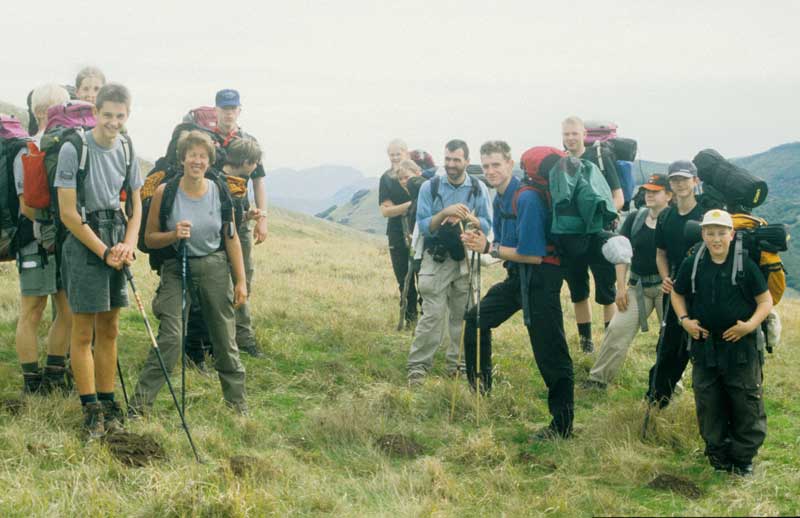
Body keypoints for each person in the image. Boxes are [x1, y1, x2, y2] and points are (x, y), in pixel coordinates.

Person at [129, 130, 249, 415]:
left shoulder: (220, 191)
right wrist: (173, 235)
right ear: (182, 158)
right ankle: (139, 406)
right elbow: (149, 239)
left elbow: (231, 238)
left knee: (224, 337)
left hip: (214, 266)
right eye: (192, 155)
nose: (197, 160)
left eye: (203, 156)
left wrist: (241, 281)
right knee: (171, 338)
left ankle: (237, 405)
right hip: (176, 266)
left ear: (210, 160)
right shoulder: (164, 191)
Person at [461, 143, 573, 438]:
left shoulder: (527, 200)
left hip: (541, 279)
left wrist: (488, 247)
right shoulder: (500, 199)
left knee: (550, 353)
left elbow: (533, 254)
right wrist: (482, 238)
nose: (490, 172)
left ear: (511, 164)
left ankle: (562, 426)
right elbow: (505, 244)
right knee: (475, 320)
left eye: (496, 165)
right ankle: (479, 392)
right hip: (517, 277)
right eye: (485, 166)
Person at [55, 83, 143, 437]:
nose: (113, 122)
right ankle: (90, 409)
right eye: (107, 115)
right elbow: (67, 213)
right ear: (95, 112)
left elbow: (135, 205)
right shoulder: (73, 148)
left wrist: (128, 245)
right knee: (83, 330)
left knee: (110, 329)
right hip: (84, 239)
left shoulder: (126, 146)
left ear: (127, 115)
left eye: (120, 116)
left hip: (116, 236)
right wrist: (103, 251)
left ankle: (109, 403)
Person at [671, 209, 771, 475]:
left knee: (745, 402)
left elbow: (765, 301)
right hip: (704, 345)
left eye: (721, 233)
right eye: (710, 233)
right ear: (703, 234)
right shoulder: (692, 264)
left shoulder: (745, 265)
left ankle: (743, 460)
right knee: (709, 402)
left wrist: (749, 326)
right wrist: (684, 321)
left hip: (741, 347)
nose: (716, 239)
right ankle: (718, 457)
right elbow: (677, 295)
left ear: (732, 234)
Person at [185, 89, 268, 358]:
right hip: (209, 221)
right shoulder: (205, 140)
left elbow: (258, 180)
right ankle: (208, 337)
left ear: (239, 110)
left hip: (241, 221)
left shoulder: (248, 142)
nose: (228, 113)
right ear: (216, 110)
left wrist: (262, 218)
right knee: (212, 279)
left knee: (243, 276)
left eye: (233, 108)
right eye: (224, 108)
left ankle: (243, 336)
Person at [407, 139, 491, 385]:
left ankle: (460, 365)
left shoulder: (479, 188)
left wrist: (469, 220)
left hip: (466, 257)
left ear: (467, 161)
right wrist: (445, 213)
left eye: (456, 160)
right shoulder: (430, 187)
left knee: (463, 314)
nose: (451, 165)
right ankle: (418, 368)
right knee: (432, 314)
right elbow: (423, 225)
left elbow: (487, 223)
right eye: (448, 160)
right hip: (436, 258)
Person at [13, 84, 73, 394]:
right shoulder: (27, 151)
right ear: (40, 113)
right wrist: (57, 224)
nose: (66, 115)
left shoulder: (70, 147)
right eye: (59, 109)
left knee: (67, 309)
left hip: (64, 239)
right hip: (35, 242)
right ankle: (31, 382)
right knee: (32, 309)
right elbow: (26, 205)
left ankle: (52, 375)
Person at [586, 174, 672, 388]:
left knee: (669, 340)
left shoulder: (675, 222)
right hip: (637, 286)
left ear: (669, 195)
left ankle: (669, 385)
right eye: (647, 191)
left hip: (666, 289)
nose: (649, 195)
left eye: (655, 191)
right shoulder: (635, 218)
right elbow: (621, 253)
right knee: (617, 330)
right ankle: (598, 380)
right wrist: (621, 288)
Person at [646, 160, 705, 407]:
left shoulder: (706, 213)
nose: (680, 184)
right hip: (675, 292)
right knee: (668, 348)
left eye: (684, 179)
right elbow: (661, 252)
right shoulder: (666, 216)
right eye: (675, 180)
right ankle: (656, 401)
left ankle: (710, 406)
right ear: (670, 184)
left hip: (704, 292)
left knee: (703, 349)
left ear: (695, 181)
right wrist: (665, 277)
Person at [560, 116, 619, 352]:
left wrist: (603, 218)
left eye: (574, 134)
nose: (570, 139)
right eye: (566, 134)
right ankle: (586, 344)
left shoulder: (599, 159)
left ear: (584, 134)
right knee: (578, 291)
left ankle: (609, 343)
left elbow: (618, 196)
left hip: (599, 235)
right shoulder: (561, 164)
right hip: (572, 237)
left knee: (607, 291)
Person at [378, 139, 419, 326]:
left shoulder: (417, 176)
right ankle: (410, 319)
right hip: (396, 233)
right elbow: (385, 211)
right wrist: (411, 206)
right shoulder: (386, 179)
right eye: (391, 154)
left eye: (398, 154)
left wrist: (398, 208)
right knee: (404, 279)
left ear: (406, 153)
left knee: (424, 277)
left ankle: (426, 320)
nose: (394, 158)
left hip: (419, 233)